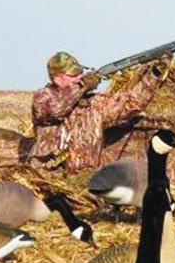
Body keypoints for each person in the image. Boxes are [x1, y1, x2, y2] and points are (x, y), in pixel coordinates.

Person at [29, 51, 166, 172]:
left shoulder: (92, 103)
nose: (79, 77)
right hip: (47, 175)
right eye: (73, 75)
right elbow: (56, 110)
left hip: (83, 179)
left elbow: (130, 104)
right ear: (58, 79)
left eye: (80, 73)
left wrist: (154, 76)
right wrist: (82, 86)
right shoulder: (43, 98)